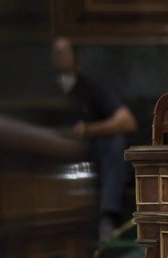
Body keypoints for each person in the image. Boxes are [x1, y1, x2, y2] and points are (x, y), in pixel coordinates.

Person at [51, 37, 138, 239]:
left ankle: (107, 218)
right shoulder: (43, 89)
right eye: (56, 54)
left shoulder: (90, 86)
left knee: (114, 143)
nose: (60, 58)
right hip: (53, 150)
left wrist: (89, 130)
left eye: (64, 53)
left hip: (89, 152)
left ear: (76, 59)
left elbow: (127, 121)